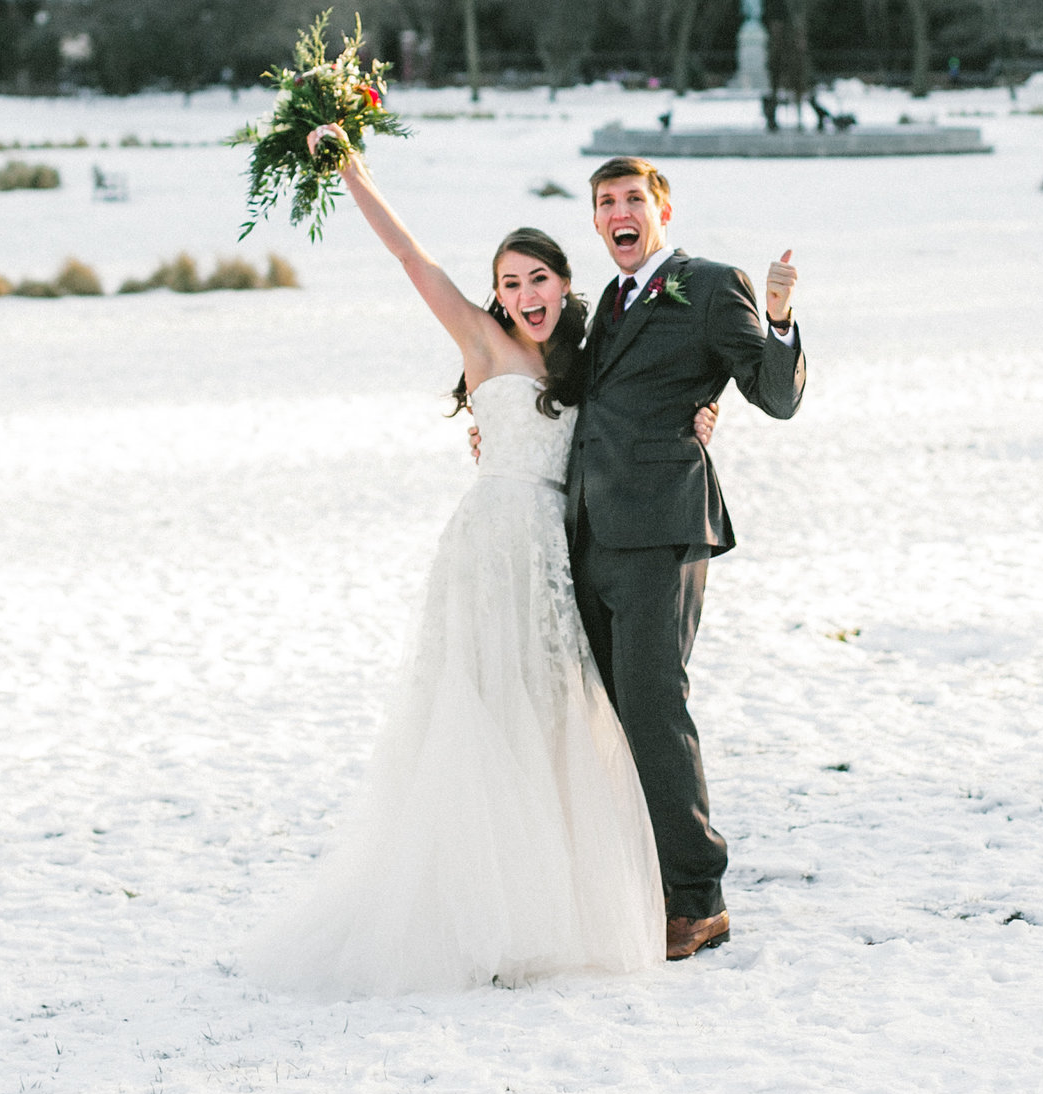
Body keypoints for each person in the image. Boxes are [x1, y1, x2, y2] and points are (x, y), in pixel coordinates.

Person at [243, 126, 723, 999]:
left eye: (538, 278)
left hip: (558, 555)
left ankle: (560, 899)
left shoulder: (586, 360)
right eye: (509, 282)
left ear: (564, 283)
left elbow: (645, 398)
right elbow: (407, 255)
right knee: (478, 718)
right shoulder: (480, 341)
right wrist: (349, 164)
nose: (525, 294)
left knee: (554, 721)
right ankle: (473, 911)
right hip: (487, 548)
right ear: (495, 296)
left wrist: (700, 410)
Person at [569, 156, 804, 960]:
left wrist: (776, 316)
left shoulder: (706, 284)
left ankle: (699, 898)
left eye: (634, 198)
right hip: (593, 532)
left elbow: (773, 394)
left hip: (664, 530)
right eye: (606, 203)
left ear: (662, 209)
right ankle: (643, 884)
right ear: (596, 221)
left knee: (655, 710)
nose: (619, 212)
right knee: (612, 718)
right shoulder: (609, 299)